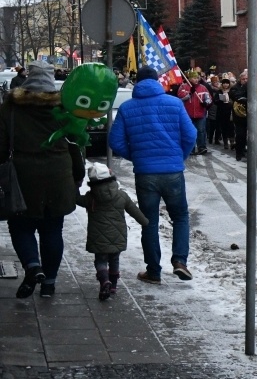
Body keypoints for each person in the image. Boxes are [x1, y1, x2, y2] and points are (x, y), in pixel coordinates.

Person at [0, 62, 85, 298]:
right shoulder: (64, 107)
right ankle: (49, 283)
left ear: (28, 78)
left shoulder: (11, 108)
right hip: (58, 174)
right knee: (52, 228)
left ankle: (32, 265)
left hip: (22, 176)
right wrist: (78, 175)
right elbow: (74, 144)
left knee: (20, 225)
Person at [108, 66, 197, 284]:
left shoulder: (128, 108)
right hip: (173, 171)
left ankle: (154, 271)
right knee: (180, 217)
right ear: (157, 81)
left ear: (137, 82)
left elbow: (115, 141)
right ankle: (179, 261)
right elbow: (191, 135)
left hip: (145, 173)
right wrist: (179, 156)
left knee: (149, 222)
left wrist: (137, 156)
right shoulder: (175, 103)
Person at [76, 163, 149, 300]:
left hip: (98, 237)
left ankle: (105, 281)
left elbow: (76, 199)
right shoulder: (121, 195)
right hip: (118, 236)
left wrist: (75, 185)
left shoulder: (90, 197)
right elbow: (134, 211)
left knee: (100, 261)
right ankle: (113, 286)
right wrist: (145, 222)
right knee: (114, 260)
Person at [178, 70, 213, 155]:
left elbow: (209, 98)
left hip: (200, 113)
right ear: (189, 79)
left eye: (197, 78)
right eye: (194, 78)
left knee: (201, 131)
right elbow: (180, 97)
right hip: (188, 114)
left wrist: (206, 103)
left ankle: (202, 147)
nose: (196, 79)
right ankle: (191, 148)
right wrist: (190, 93)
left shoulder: (203, 87)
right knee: (190, 132)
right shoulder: (183, 87)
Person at [230, 70, 248, 161]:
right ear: (240, 79)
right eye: (243, 79)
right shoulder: (235, 87)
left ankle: (246, 151)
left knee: (250, 135)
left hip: (249, 115)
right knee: (240, 134)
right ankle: (239, 153)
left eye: (246, 79)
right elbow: (236, 97)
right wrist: (246, 99)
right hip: (239, 116)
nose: (245, 80)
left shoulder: (249, 86)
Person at [215, 77, 234, 149]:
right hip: (222, 111)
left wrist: (231, 102)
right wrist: (220, 100)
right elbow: (215, 101)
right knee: (224, 127)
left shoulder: (231, 91)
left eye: (227, 83)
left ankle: (232, 141)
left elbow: (234, 99)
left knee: (231, 127)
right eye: (224, 83)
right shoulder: (219, 91)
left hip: (230, 111)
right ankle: (225, 142)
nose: (225, 85)